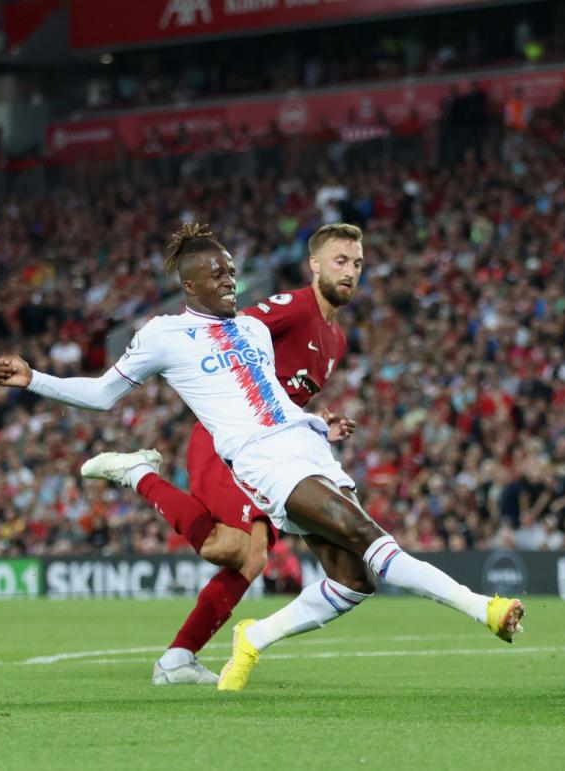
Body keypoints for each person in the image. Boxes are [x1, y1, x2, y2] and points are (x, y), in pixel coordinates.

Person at [0, 223, 524, 694]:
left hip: (305, 443)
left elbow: (270, 394)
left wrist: (318, 423)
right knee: (362, 536)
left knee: (356, 579)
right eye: (217, 275)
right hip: (262, 461)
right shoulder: (163, 334)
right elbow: (103, 394)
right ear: (190, 285)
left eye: (232, 271)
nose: (229, 281)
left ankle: (254, 636)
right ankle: (485, 608)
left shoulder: (250, 330)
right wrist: (33, 379)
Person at [79, 222, 361, 685]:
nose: (349, 272)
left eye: (356, 264)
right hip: (229, 439)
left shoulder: (338, 340)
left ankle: (176, 659)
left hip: (275, 452)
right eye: (340, 261)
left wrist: (317, 426)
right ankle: (137, 476)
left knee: (247, 557)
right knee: (232, 550)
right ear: (315, 265)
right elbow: (226, 333)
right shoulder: (293, 307)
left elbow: (281, 396)